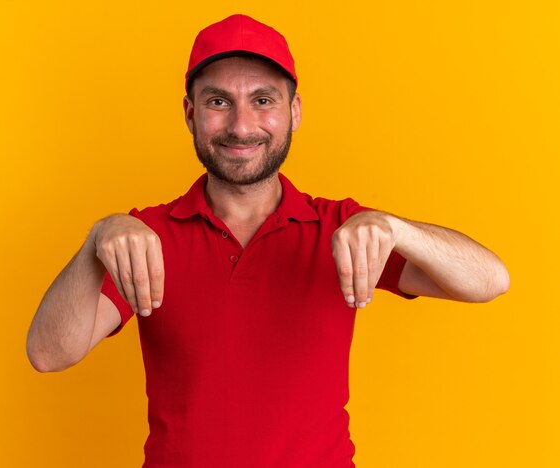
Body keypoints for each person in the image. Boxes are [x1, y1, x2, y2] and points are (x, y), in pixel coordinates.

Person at [26, 14, 510, 468]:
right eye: (218, 102)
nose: (241, 126)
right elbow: (49, 354)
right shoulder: (146, 238)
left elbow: (490, 280)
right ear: (190, 114)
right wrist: (96, 240)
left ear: (294, 111)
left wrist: (395, 228)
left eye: (263, 100)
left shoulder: (342, 231)